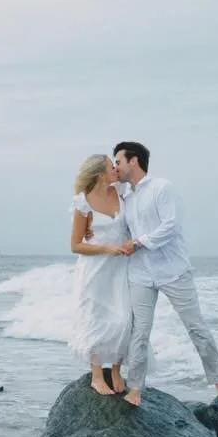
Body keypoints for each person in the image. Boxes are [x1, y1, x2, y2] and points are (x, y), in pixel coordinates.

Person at [114, 141, 218, 408]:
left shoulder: (162, 188)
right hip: (140, 274)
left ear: (134, 161)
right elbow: (122, 230)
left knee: (196, 328)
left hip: (173, 270)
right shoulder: (125, 196)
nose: (116, 167)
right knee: (139, 332)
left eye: (119, 161)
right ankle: (135, 388)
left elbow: (171, 224)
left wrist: (139, 242)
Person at [68, 154, 135, 396]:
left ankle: (116, 369)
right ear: (100, 174)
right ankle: (97, 375)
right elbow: (75, 245)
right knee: (95, 318)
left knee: (124, 318)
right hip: (95, 270)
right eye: (111, 166)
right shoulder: (82, 203)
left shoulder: (121, 191)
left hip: (121, 267)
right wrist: (107, 248)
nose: (116, 169)